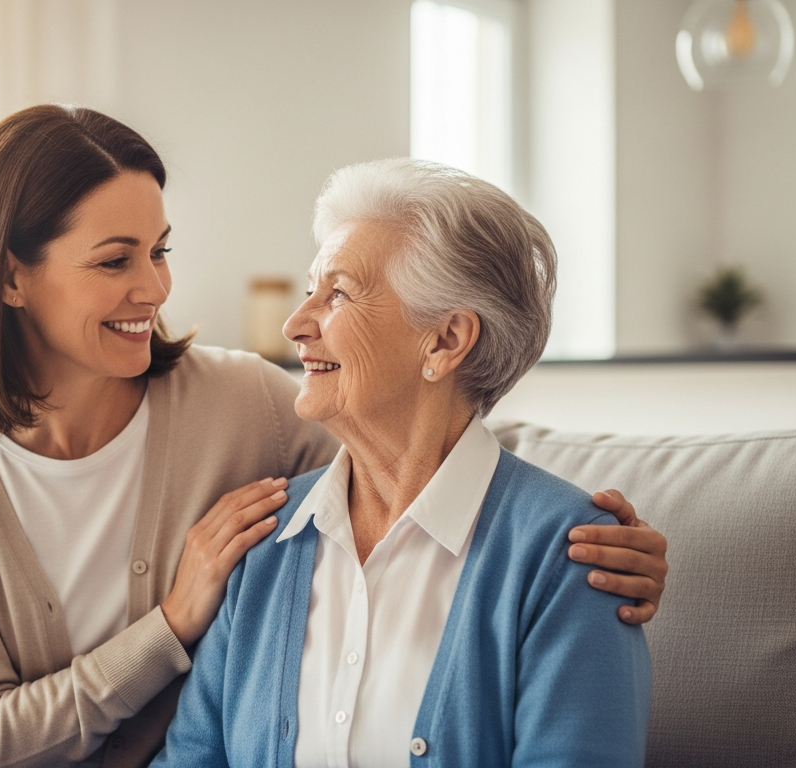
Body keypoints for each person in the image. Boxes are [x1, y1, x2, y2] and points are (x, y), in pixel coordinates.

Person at [0, 107, 667, 768]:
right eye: (114, 261)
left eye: (159, 251)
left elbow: (425, 460)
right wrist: (173, 622)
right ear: (9, 278)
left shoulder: (244, 405)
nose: (156, 287)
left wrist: (580, 538)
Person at [153, 158, 653, 768]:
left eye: (337, 293)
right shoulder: (263, 544)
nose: (295, 324)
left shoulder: (573, 557)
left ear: (444, 341)